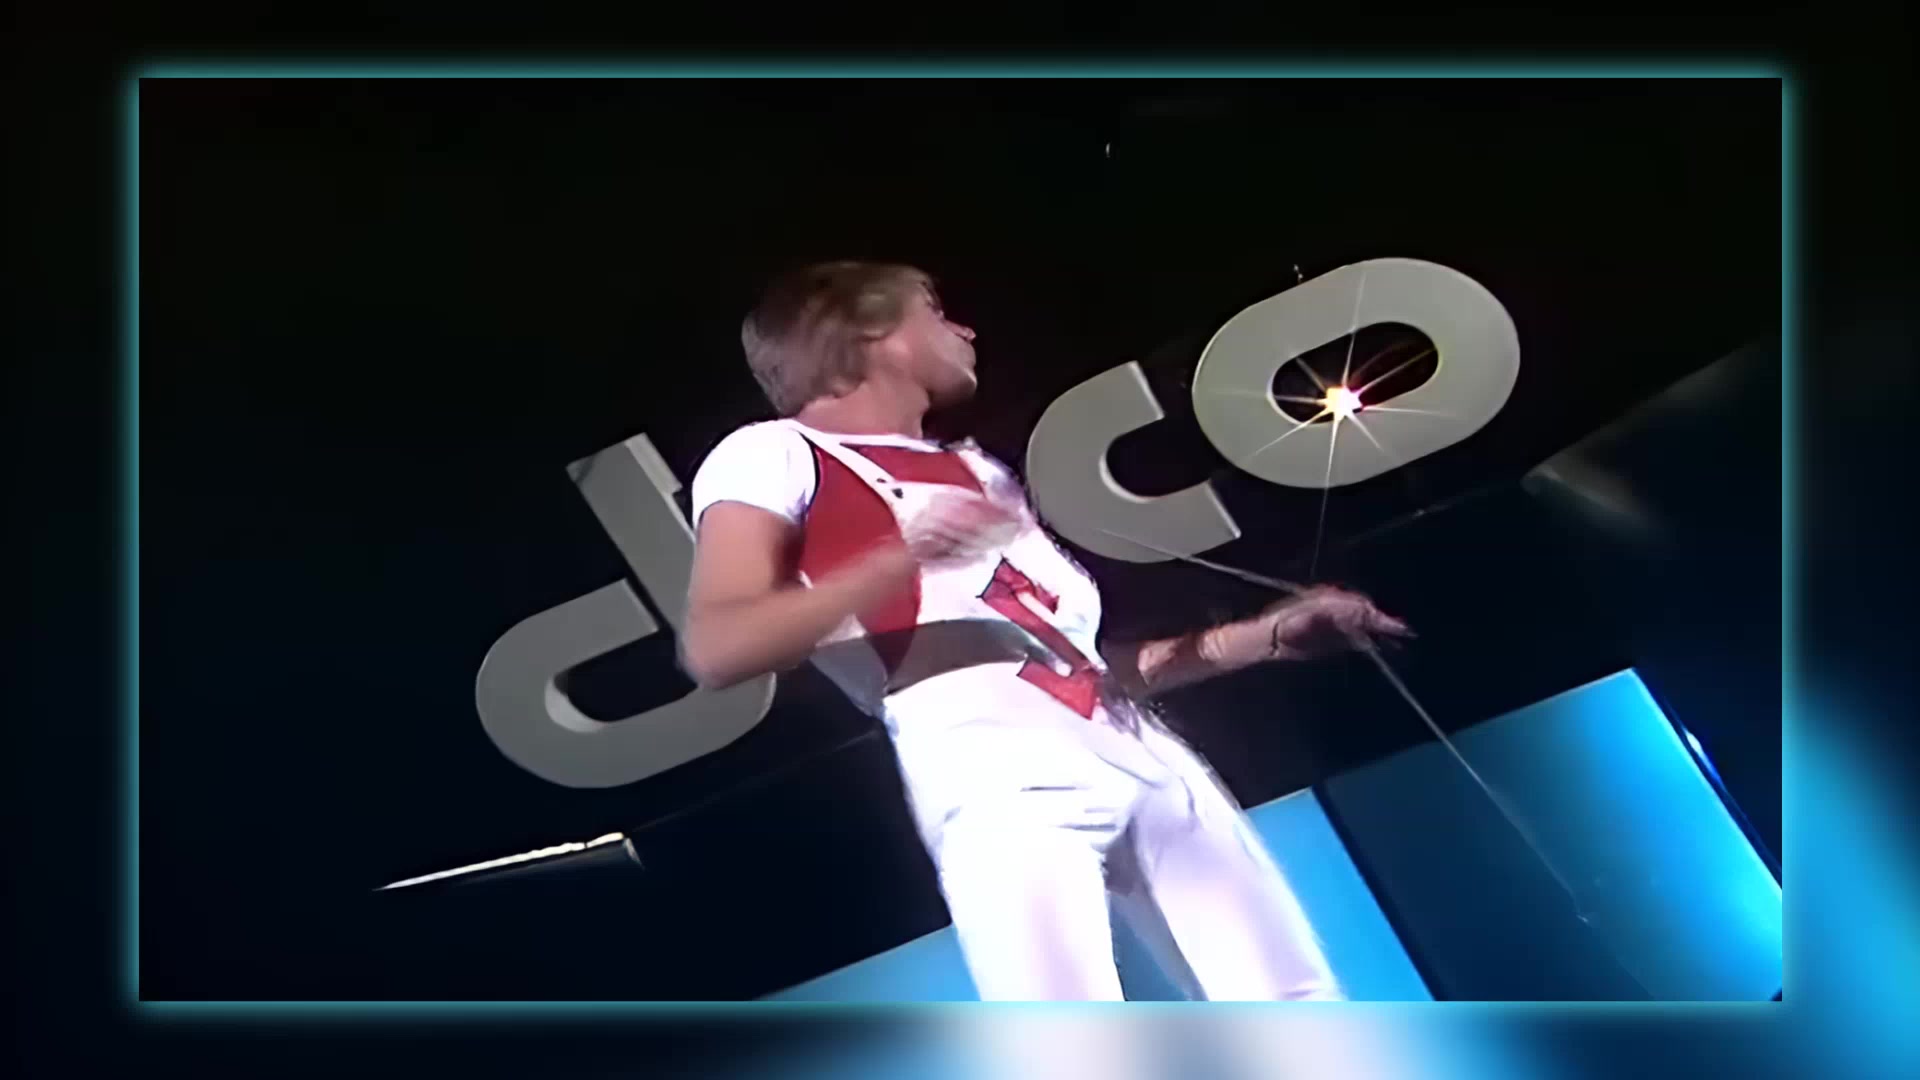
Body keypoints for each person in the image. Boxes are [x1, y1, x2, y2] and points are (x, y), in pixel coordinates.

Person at [681, 261, 1411, 1001]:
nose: (964, 330)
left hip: (1145, 755)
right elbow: (718, 647)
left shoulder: (980, 473)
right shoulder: (774, 453)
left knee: (1295, 1003)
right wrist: (901, 558)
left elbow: (1072, 666)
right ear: (871, 331)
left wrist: (1264, 638)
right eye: (935, 310)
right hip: (996, 777)